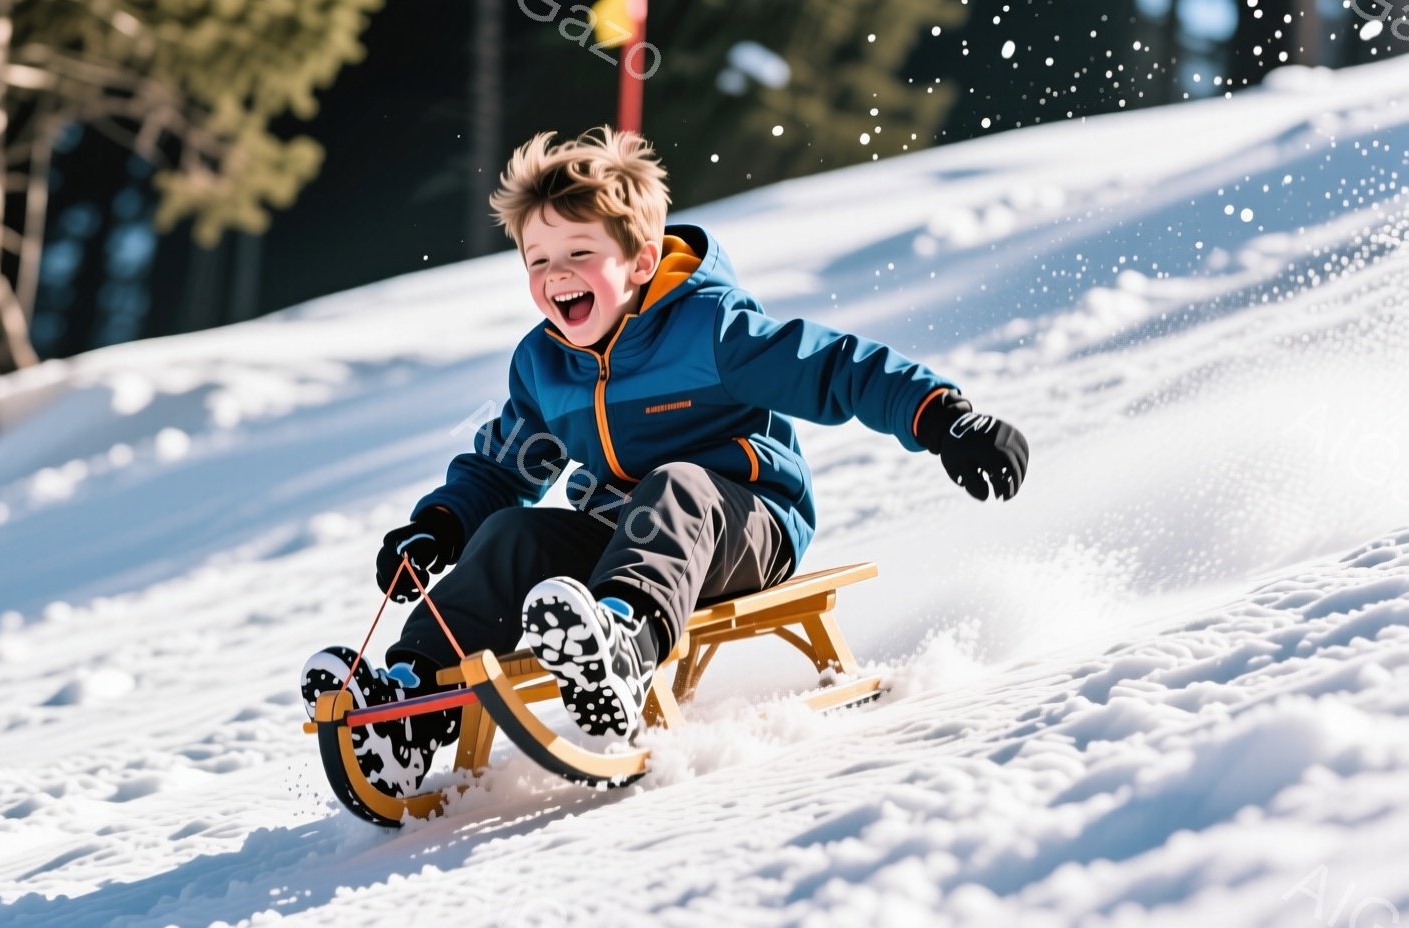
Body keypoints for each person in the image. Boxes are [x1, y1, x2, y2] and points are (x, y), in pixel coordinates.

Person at [301, 127, 1029, 797]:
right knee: (511, 535)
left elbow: (834, 367)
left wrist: (943, 417)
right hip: (621, 535)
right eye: (539, 260)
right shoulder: (545, 364)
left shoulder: (711, 328)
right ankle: (412, 704)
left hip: (744, 527)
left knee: (673, 485)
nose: (557, 275)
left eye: (579, 253)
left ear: (641, 260)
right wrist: (442, 523)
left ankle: (625, 642)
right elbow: (503, 466)